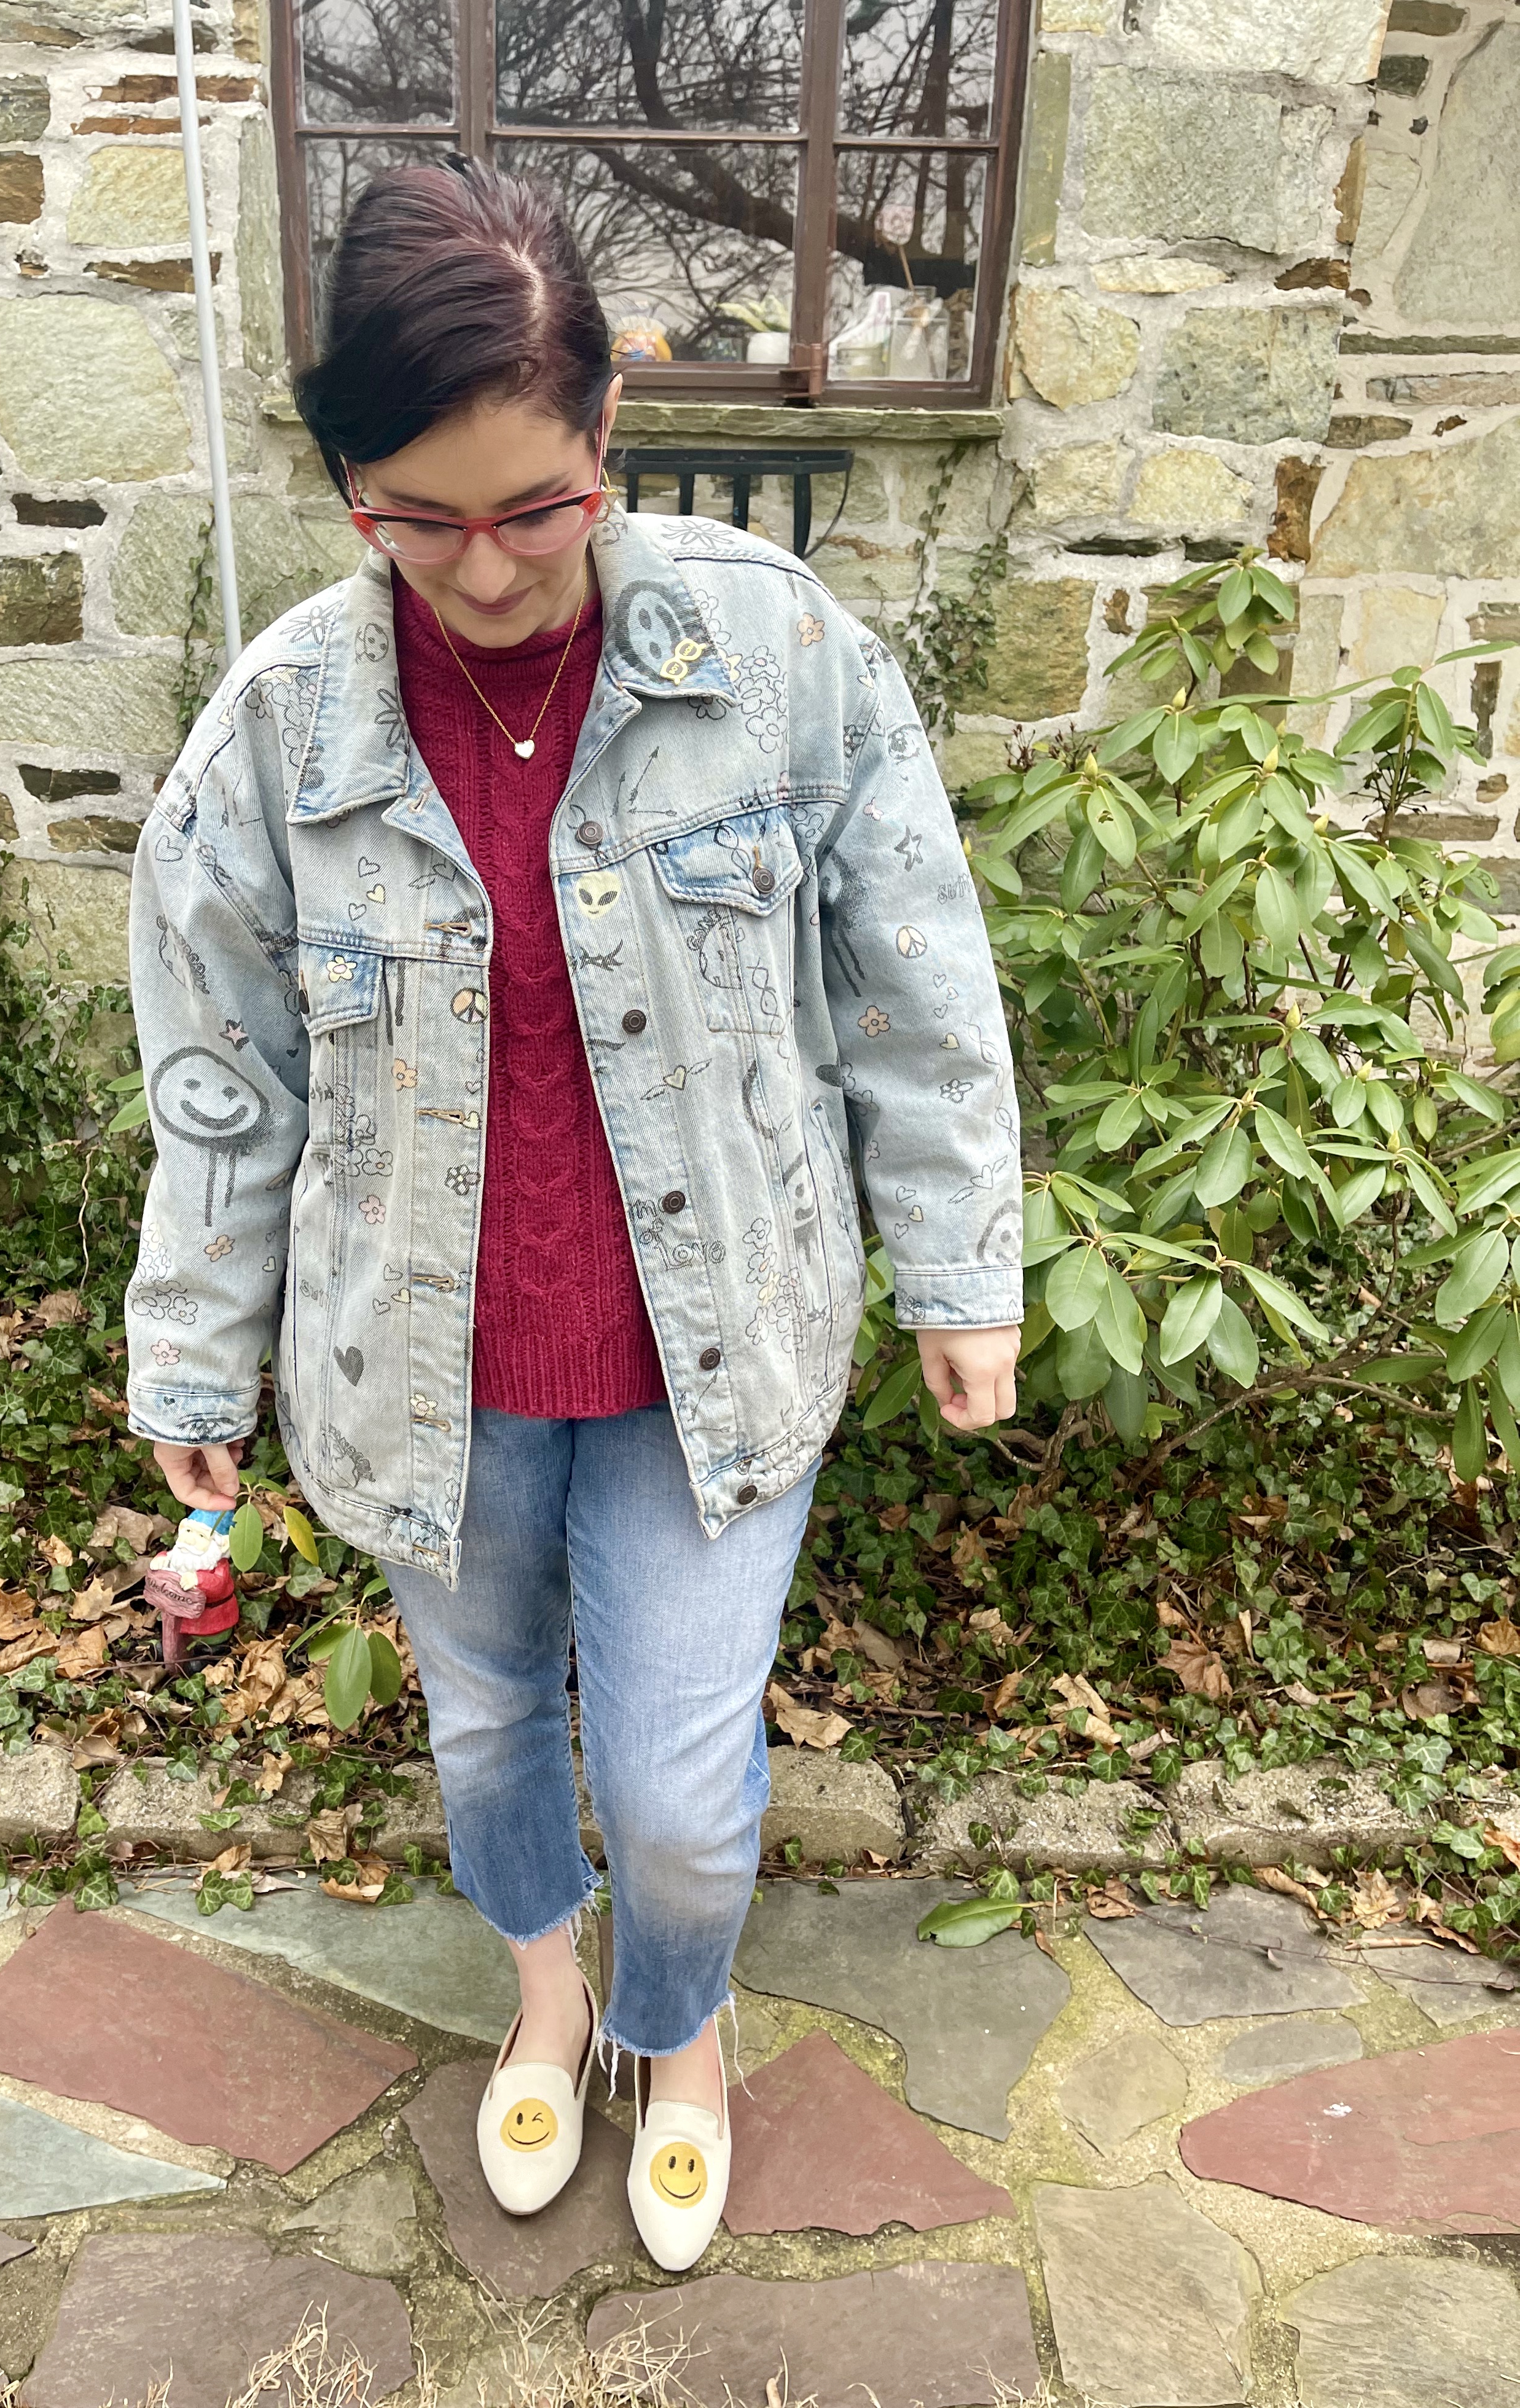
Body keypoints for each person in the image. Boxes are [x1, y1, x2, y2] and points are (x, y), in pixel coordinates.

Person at [123, 158, 1022, 2272]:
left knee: (686, 1800)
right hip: (420, 1363)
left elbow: (914, 973)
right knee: (488, 1731)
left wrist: (959, 1262)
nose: (485, 568)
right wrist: (194, 1353)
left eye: (537, 507)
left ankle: (673, 2022)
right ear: (351, 486)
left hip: (715, 1346)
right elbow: (223, 1081)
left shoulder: (776, 654)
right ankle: (548, 1998)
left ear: (610, 425)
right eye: (415, 519)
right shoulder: (279, 735)